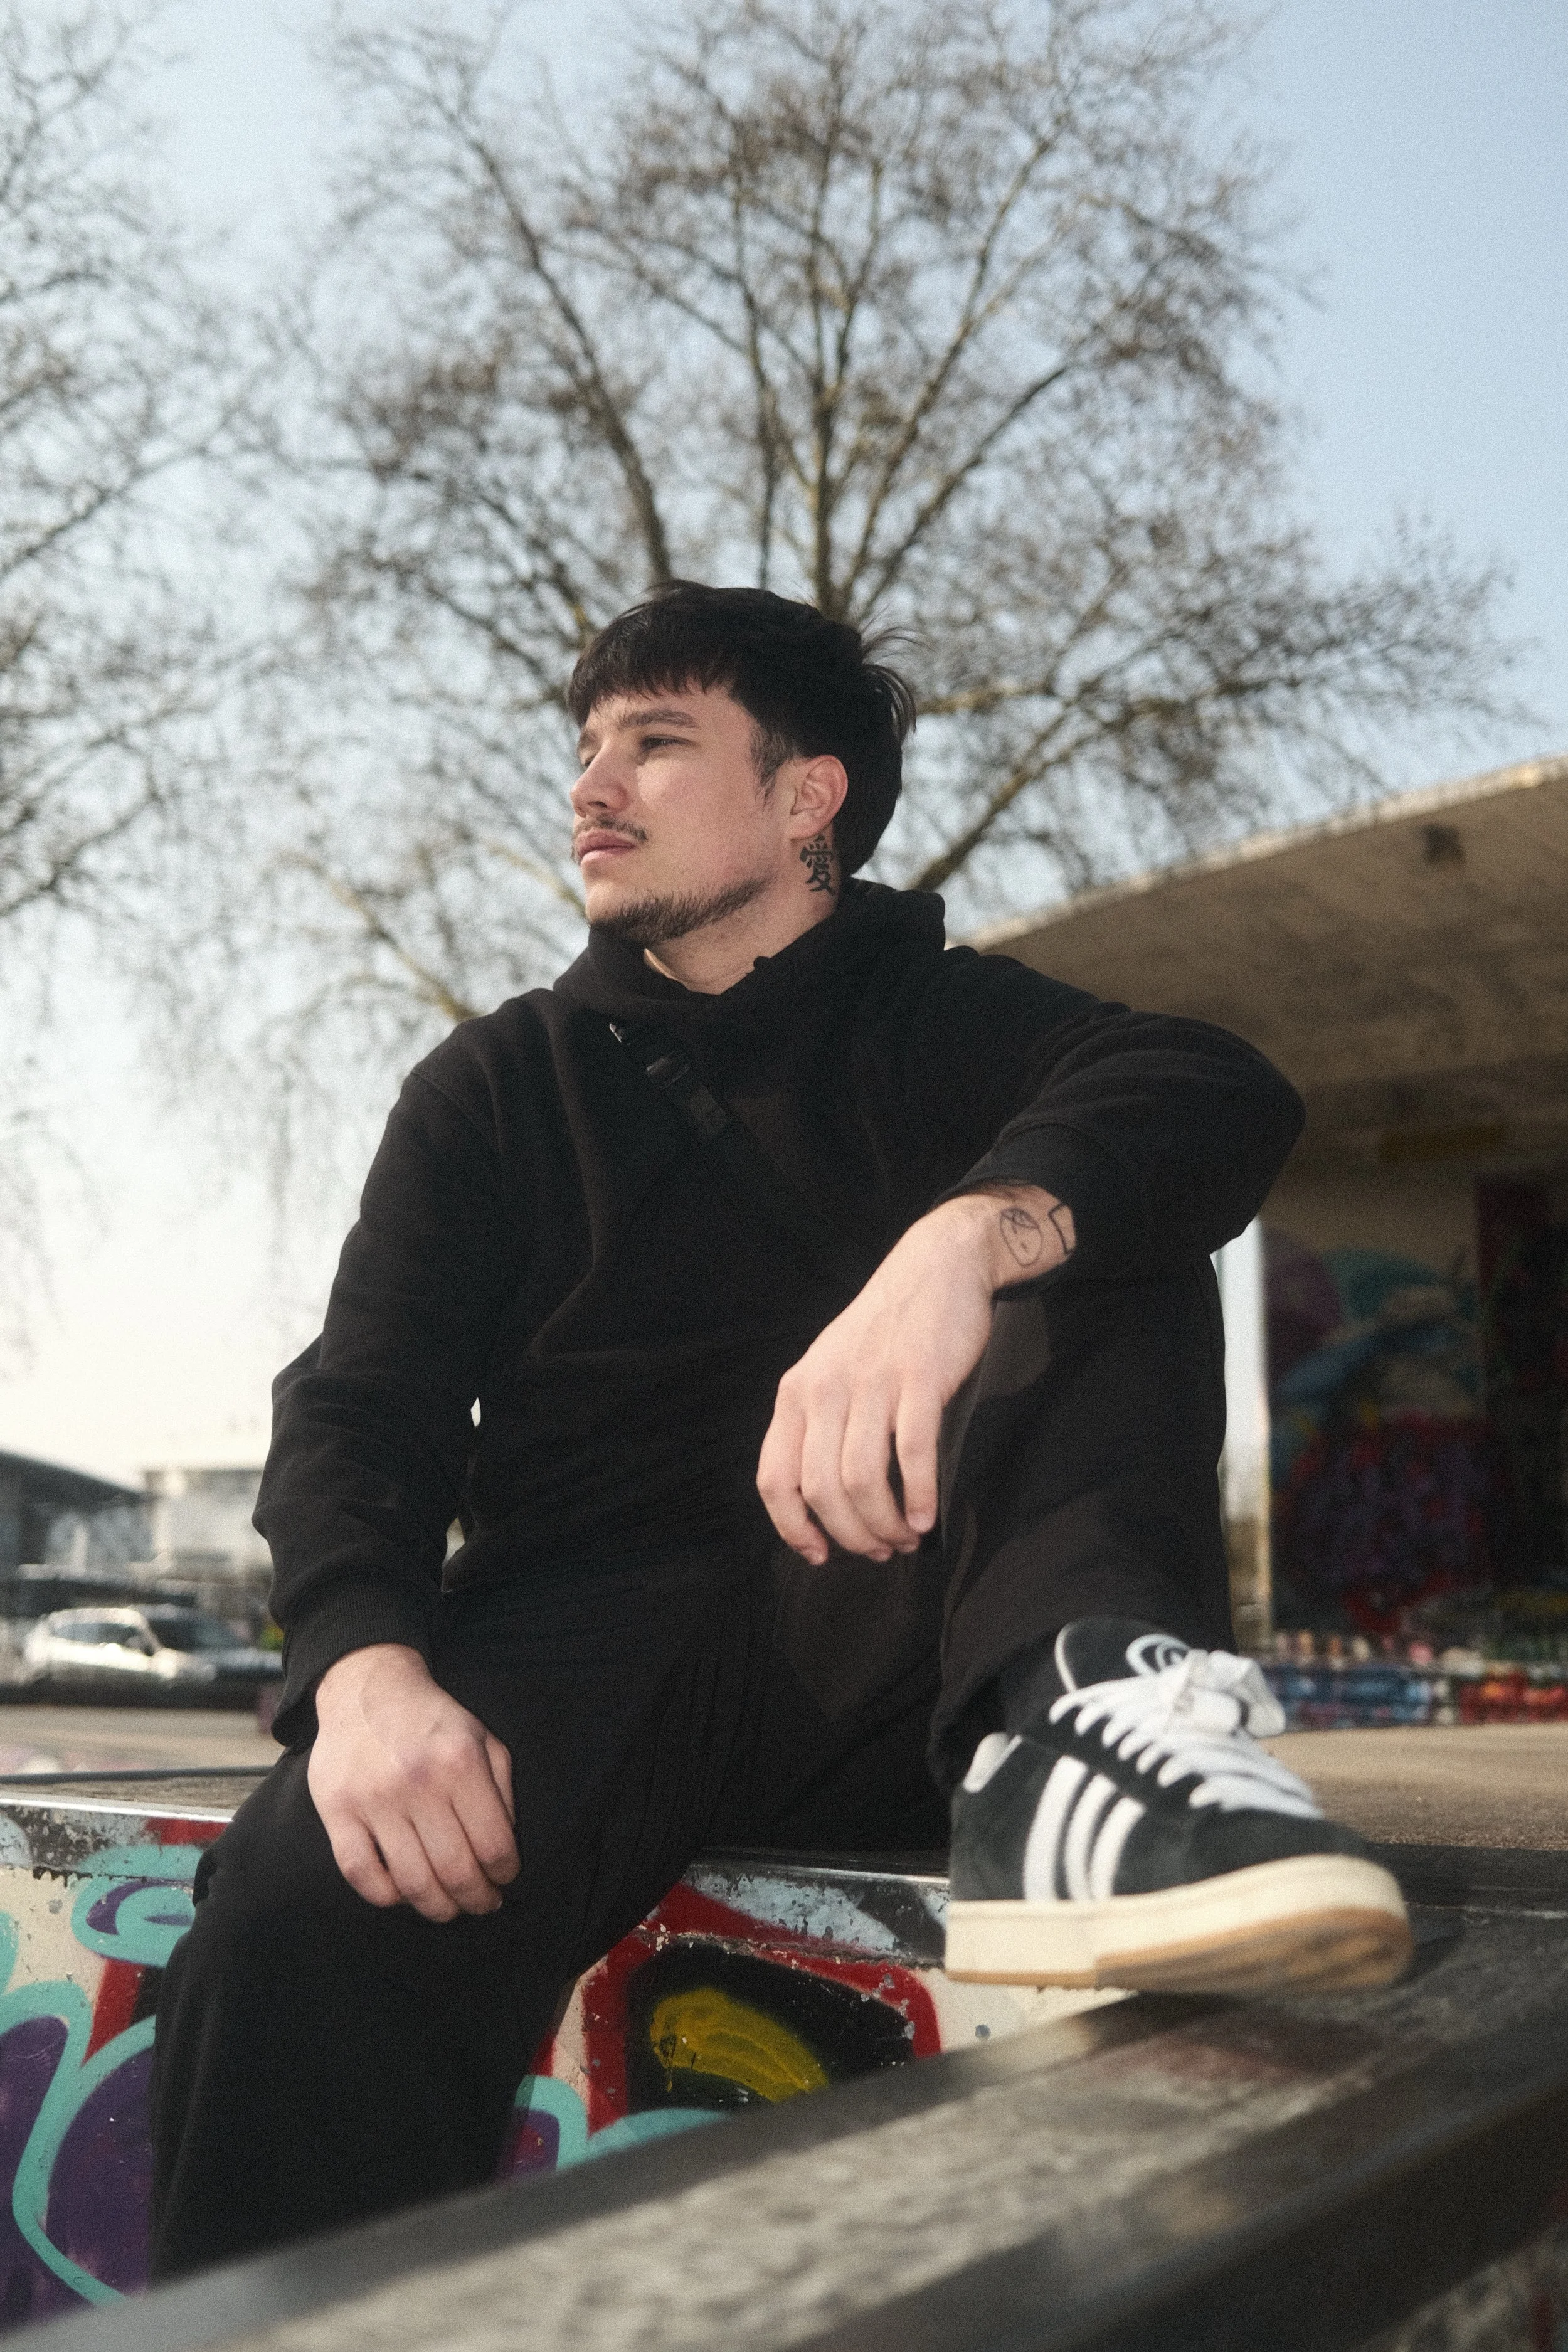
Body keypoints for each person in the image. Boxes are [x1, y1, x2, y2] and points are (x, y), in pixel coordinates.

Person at [148, 582, 1409, 2277]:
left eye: (656, 743)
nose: (592, 786)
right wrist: (362, 1666)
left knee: (1097, 1205)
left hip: (920, 1624)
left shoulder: (953, 1025)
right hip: (580, 1648)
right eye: (587, 747)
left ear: (807, 794)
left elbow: (1220, 1089)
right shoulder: (500, 1087)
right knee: (302, 1914)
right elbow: (359, 1404)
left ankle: (1089, 1739)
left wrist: (966, 1236)